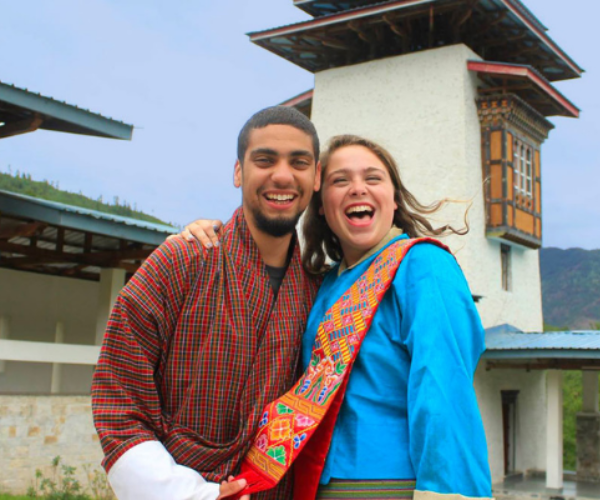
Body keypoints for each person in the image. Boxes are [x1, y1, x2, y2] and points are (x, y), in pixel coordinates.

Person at [185, 134, 492, 500]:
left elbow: (443, 388)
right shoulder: (325, 283)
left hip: (391, 484)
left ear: (393, 198)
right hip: (313, 483)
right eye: (340, 180)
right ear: (321, 205)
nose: (357, 189)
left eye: (373, 178)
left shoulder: (423, 265)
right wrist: (207, 236)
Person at [91, 106, 323, 500]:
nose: (282, 175)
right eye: (265, 160)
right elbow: (118, 402)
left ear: (316, 177)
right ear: (238, 172)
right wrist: (196, 494)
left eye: (298, 162)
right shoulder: (182, 261)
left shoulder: (320, 291)